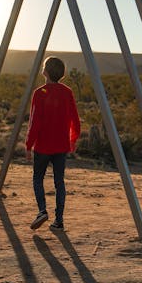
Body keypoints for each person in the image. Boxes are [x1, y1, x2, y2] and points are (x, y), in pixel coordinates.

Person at [25, 56, 80, 231]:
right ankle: (59, 220)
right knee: (59, 182)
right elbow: (75, 120)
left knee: (37, 178)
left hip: (43, 146)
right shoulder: (67, 92)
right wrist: (73, 139)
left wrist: (28, 145)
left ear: (45, 71)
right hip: (61, 146)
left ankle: (42, 210)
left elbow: (34, 122)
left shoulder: (39, 93)